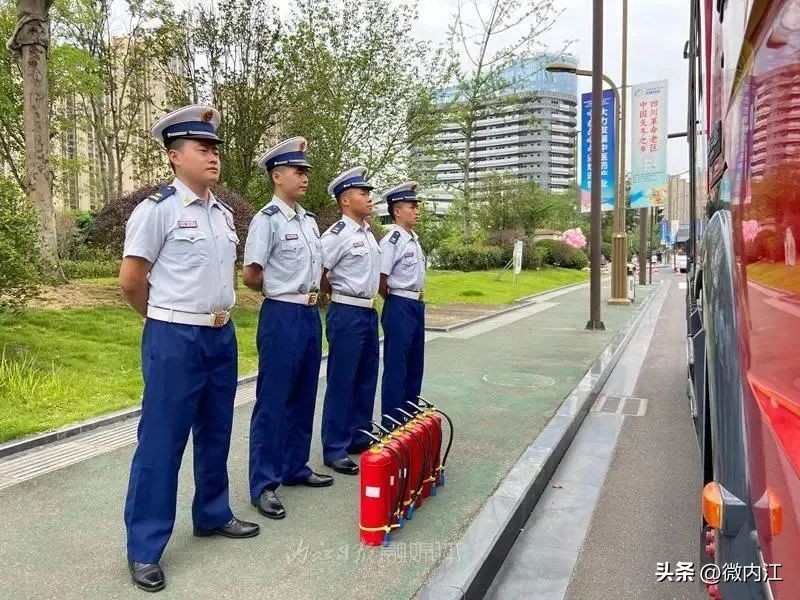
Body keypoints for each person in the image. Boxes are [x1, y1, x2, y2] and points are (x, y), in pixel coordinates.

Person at [119, 105, 259, 594]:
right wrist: (163, 322)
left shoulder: (222, 214)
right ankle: (144, 547)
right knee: (162, 441)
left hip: (221, 335)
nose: (213, 156)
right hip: (175, 337)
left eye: (215, 148)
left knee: (217, 431)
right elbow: (132, 282)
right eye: (203, 148)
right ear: (175, 157)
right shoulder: (157, 210)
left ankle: (212, 513)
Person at [243, 137, 333, 521]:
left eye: (306, 172)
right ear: (277, 176)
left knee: (303, 394)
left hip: (311, 316)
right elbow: (250, 275)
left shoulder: (309, 221)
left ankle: (295, 466)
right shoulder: (267, 220)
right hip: (281, 314)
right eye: (299, 171)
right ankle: (263, 483)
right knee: (273, 400)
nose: (305, 177)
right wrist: (279, 289)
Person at [319, 166, 381, 475]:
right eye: (363, 193)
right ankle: (334, 447)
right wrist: (339, 296)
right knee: (342, 380)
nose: (370, 198)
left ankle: (359, 435)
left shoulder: (368, 234)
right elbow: (320, 272)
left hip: (369, 312)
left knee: (366, 376)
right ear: (345, 199)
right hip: (346, 312)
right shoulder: (337, 235)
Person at [377, 182, 426, 429]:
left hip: (416, 305)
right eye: (411, 206)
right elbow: (380, 279)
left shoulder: (413, 240)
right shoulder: (392, 241)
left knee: (415, 365)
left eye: (417, 206)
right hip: (399, 304)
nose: (416, 210)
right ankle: (392, 424)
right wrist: (395, 301)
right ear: (397, 211)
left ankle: (410, 419)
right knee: (397, 367)